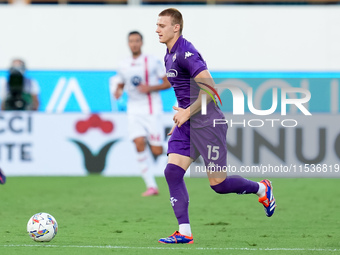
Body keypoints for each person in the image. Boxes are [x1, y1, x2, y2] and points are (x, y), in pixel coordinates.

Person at [156, 8, 276, 244]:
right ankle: (184, 232)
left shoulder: (187, 53)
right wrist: (182, 115)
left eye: (162, 25)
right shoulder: (168, 55)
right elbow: (186, 91)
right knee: (172, 172)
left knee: (218, 185)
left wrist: (187, 113)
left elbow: (211, 90)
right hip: (188, 123)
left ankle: (262, 189)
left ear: (176, 27)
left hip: (208, 123)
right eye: (157, 25)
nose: (157, 29)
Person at [114, 31, 171, 197]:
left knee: (156, 149)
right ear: (128, 43)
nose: (134, 44)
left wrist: (150, 88)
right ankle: (151, 185)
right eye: (131, 41)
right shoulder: (123, 64)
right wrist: (118, 90)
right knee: (138, 143)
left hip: (151, 108)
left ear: (142, 43)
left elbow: (167, 82)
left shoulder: (151, 61)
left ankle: (184, 149)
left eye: (137, 41)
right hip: (134, 109)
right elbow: (121, 82)